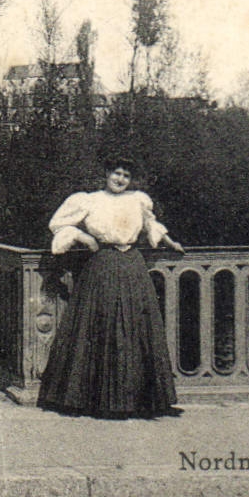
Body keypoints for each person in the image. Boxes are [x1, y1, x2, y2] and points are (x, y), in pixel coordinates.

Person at [38, 158, 185, 418]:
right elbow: (58, 224)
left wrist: (170, 242)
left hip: (132, 265)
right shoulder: (89, 200)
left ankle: (136, 400)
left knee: (136, 327)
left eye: (125, 175)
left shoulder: (138, 200)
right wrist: (83, 237)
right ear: (107, 174)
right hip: (102, 265)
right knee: (101, 326)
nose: (120, 179)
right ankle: (94, 399)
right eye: (116, 173)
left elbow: (151, 224)